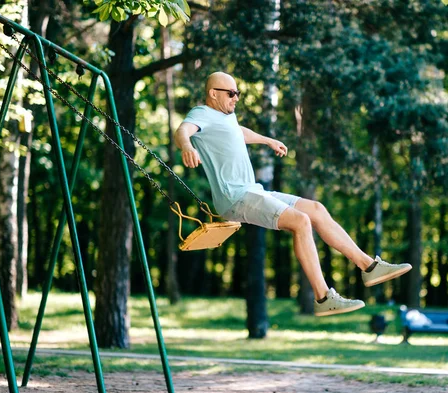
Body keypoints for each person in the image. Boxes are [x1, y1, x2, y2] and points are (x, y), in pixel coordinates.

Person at [175, 71, 412, 317]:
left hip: (252, 191)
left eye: (239, 93)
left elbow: (238, 132)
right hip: (235, 197)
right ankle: (323, 297)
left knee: (316, 210)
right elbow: (182, 130)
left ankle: (369, 266)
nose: (236, 98)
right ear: (213, 93)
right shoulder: (201, 113)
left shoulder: (225, 117)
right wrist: (187, 146)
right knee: (301, 222)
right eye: (231, 93)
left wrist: (267, 140)